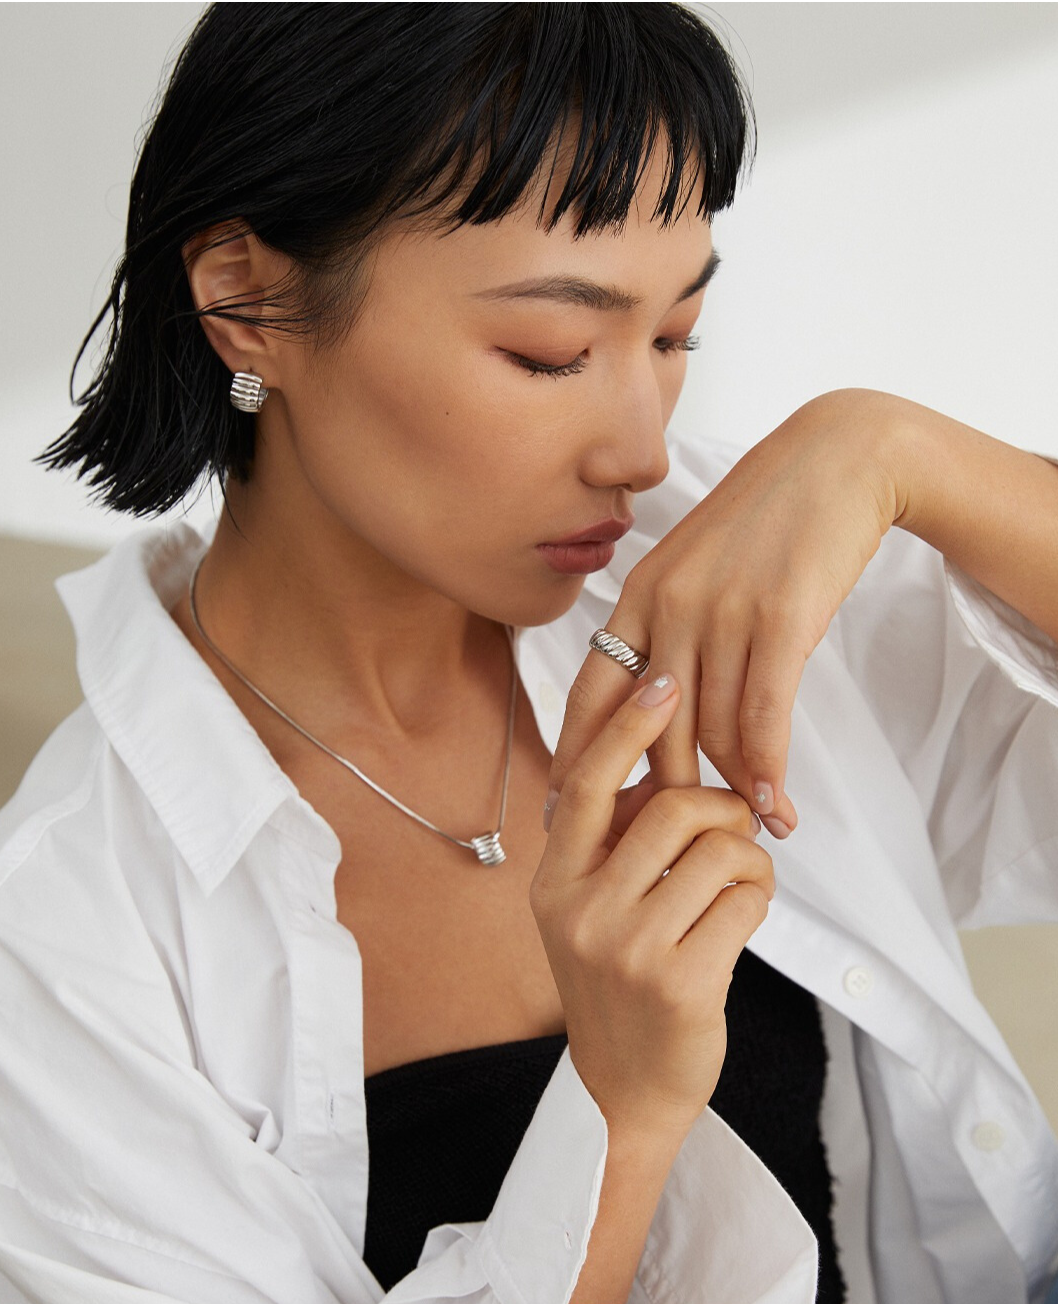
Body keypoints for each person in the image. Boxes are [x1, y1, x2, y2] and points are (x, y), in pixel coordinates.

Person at [0, 2, 1056, 1301]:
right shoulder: (66, 939)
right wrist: (619, 1107)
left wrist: (898, 452)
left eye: (673, 338)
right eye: (549, 352)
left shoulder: (721, 578)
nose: (639, 449)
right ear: (246, 299)